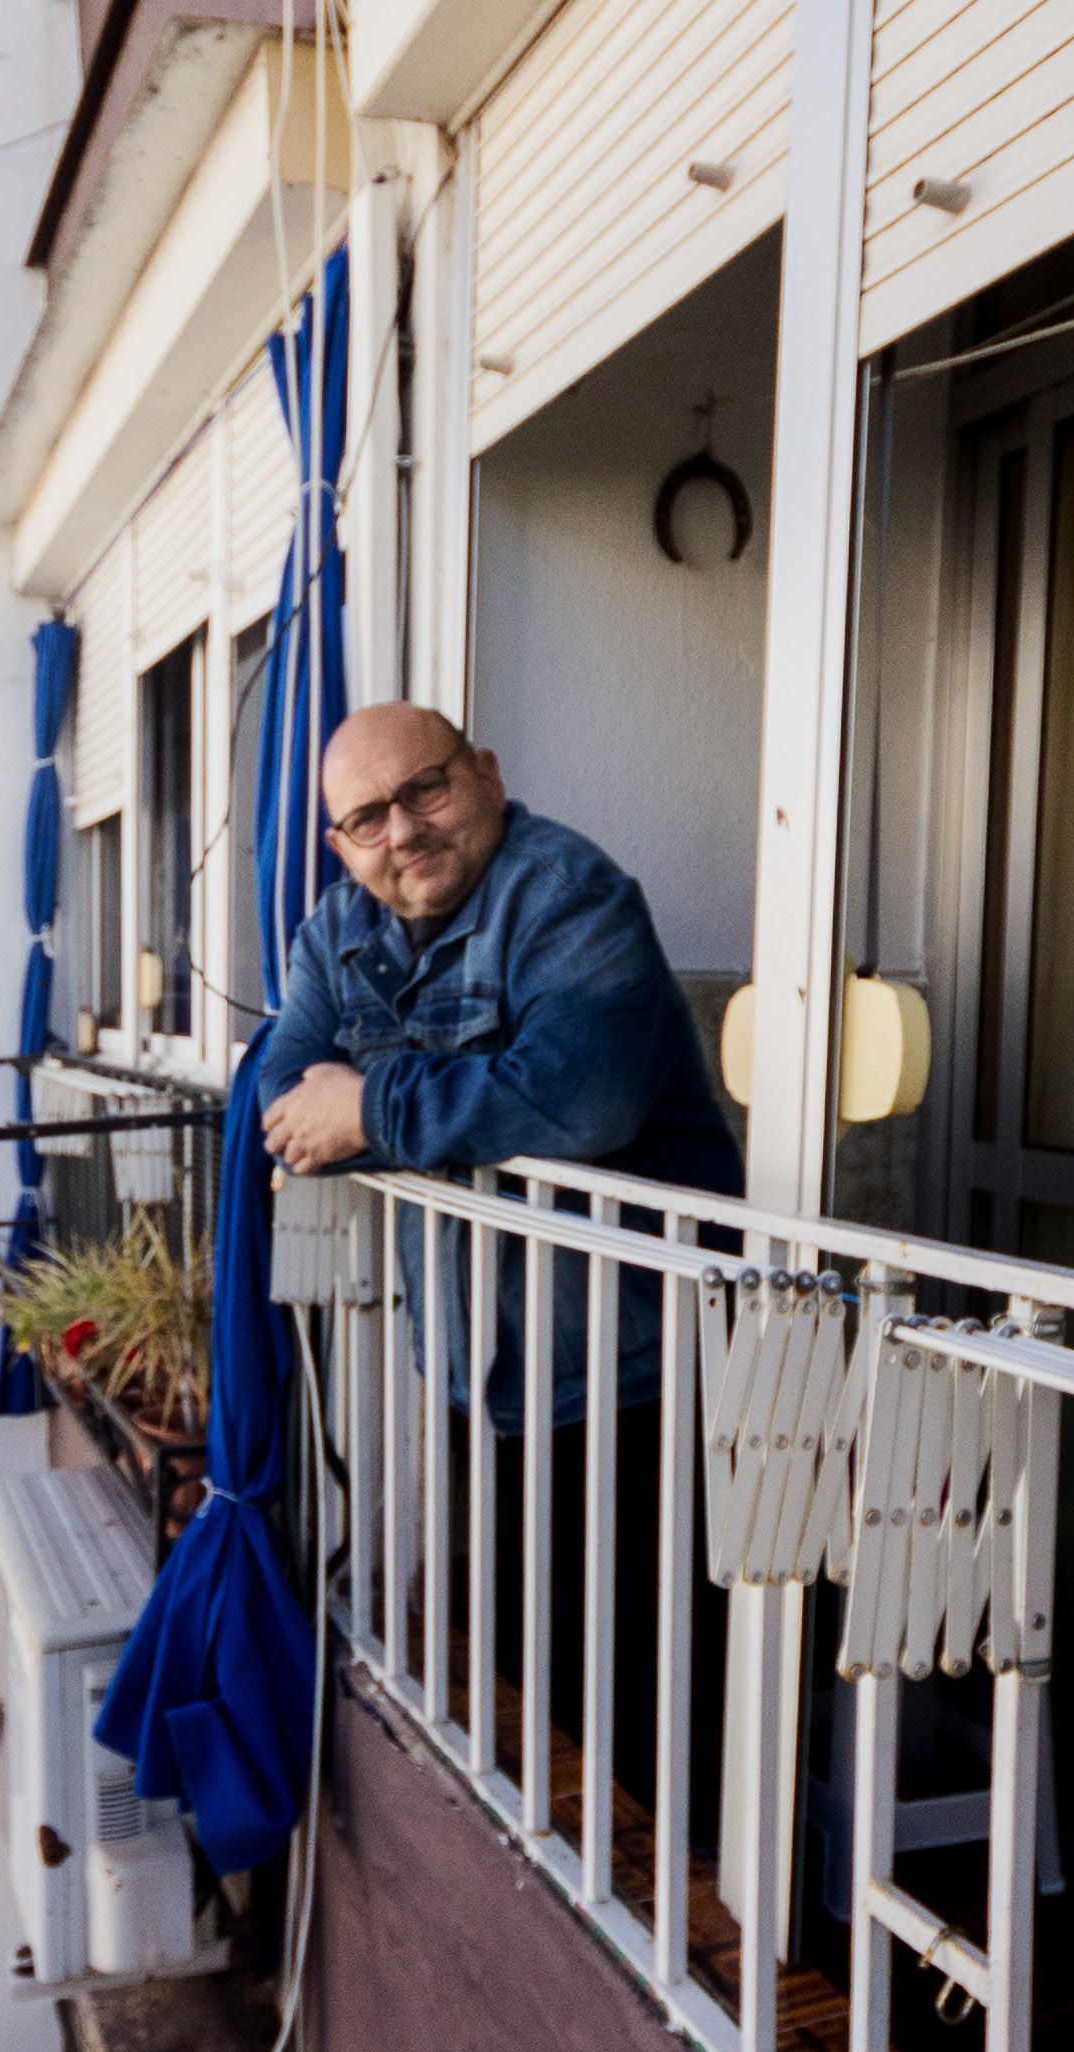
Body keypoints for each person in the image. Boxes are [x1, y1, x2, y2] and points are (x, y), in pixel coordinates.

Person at [258, 700, 737, 1812]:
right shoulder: (338, 931)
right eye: (366, 818)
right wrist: (341, 1110)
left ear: (483, 773)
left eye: (424, 790)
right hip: (489, 1369)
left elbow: (582, 1099)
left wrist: (369, 1107)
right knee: (548, 1671)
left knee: (673, 1708)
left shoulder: (568, 894)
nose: (402, 831)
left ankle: (721, 1924)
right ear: (339, 843)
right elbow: (286, 1089)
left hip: (649, 1369)